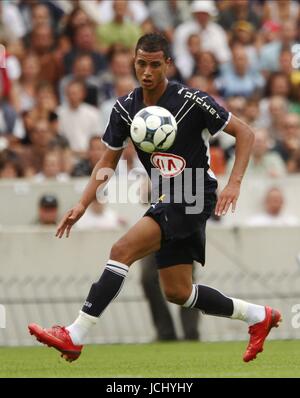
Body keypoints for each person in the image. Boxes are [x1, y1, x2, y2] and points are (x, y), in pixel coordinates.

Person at [28, 33, 281, 363]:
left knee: (121, 250)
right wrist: (82, 203)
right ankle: (258, 316)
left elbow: (245, 133)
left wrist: (234, 183)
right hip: (166, 196)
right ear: (134, 62)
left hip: (193, 193)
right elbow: (107, 160)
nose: (147, 71)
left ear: (168, 65)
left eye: (155, 65)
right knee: (178, 292)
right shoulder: (124, 108)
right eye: (141, 64)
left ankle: (75, 333)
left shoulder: (193, 101)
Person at [141, 253, 200, 341]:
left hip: (181, 241)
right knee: (148, 279)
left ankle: (191, 334)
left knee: (186, 283)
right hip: (151, 241)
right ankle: (166, 333)